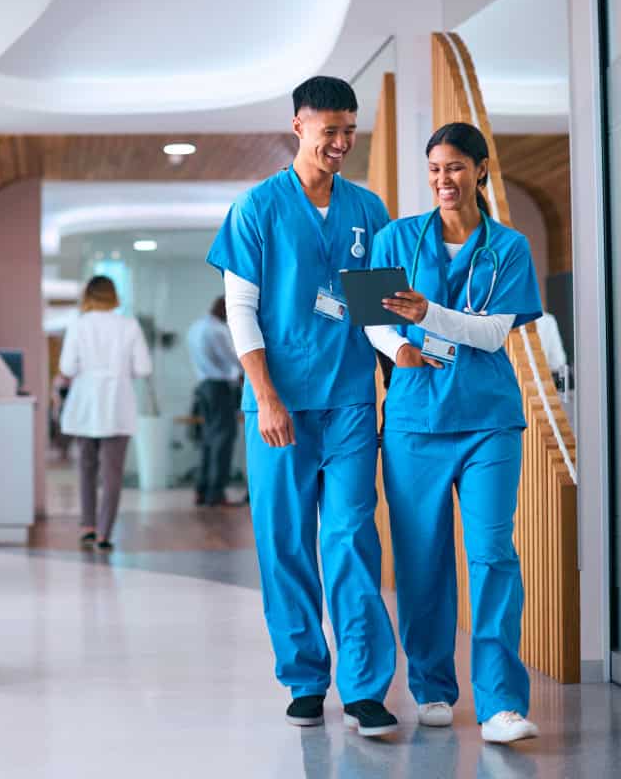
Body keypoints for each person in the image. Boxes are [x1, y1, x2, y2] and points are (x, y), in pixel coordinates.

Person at [207, 76, 398, 735]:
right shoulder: (256, 209)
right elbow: (241, 310)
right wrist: (266, 398)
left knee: (350, 535)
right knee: (284, 540)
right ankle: (305, 677)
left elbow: (376, 313)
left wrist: (400, 361)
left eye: (350, 130)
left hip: (348, 399)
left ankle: (366, 686)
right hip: (278, 405)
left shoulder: (369, 211)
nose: (341, 143)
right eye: (329, 131)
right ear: (299, 126)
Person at [368, 122, 542, 743]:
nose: (445, 180)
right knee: (421, 559)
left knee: (493, 554)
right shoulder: (397, 238)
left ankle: (501, 704)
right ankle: (432, 687)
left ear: (481, 170)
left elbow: (495, 333)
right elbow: (370, 319)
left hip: (489, 420)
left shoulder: (509, 247)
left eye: (457, 168)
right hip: (415, 420)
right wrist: (399, 346)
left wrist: (428, 316)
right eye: (436, 168)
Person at [58, 276, 152, 551]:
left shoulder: (78, 325)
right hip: (117, 403)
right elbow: (144, 368)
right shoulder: (129, 325)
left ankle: (87, 525)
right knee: (113, 473)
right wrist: (122, 372)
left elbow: (67, 367)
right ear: (114, 295)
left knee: (86, 468)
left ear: (88, 295)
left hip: (86, 402)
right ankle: (104, 533)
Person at [186, 297, 242, 506]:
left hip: (203, 387)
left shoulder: (196, 327)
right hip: (219, 388)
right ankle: (216, 493)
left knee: (210, 439)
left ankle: (203, 489)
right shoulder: (217, 330)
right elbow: (232, 357)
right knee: (223, 439)